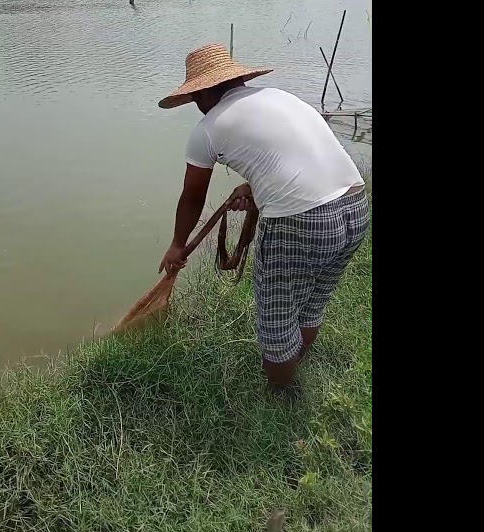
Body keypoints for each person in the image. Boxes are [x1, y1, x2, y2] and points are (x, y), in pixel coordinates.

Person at [157, 43, 368, 391]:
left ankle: (280, 400)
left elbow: (193, 196)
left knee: (277, 319)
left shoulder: (208, 129)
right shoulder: (280, 97)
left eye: (195, 97)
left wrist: (177, 245)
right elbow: (300, 157)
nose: (196, 105)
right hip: (355, 205)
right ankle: (294, 365)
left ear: (207, 91)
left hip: (302, 222)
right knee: (313, 301)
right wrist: (253, 187)